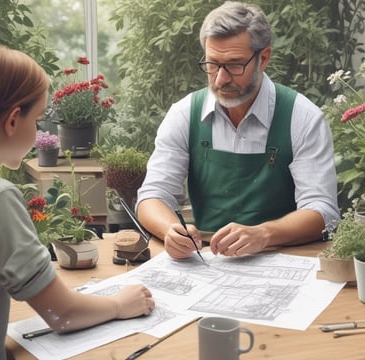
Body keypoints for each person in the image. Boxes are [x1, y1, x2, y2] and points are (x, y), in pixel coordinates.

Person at [0, 43, 155, 359]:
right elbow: (62, 313)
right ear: (11, 121)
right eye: (36, 119)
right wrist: (120, 304)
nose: (38, 134)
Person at [136, 1, 340, 260]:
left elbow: (323, 211)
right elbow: (152, 196)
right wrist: (170, 231)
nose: (220, 79)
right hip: (207, 261)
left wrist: (264, 234)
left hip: (285, 261)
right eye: (212, 64)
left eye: (234, 65)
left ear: (263, 58)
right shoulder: (185, 114)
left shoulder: (302, 117)